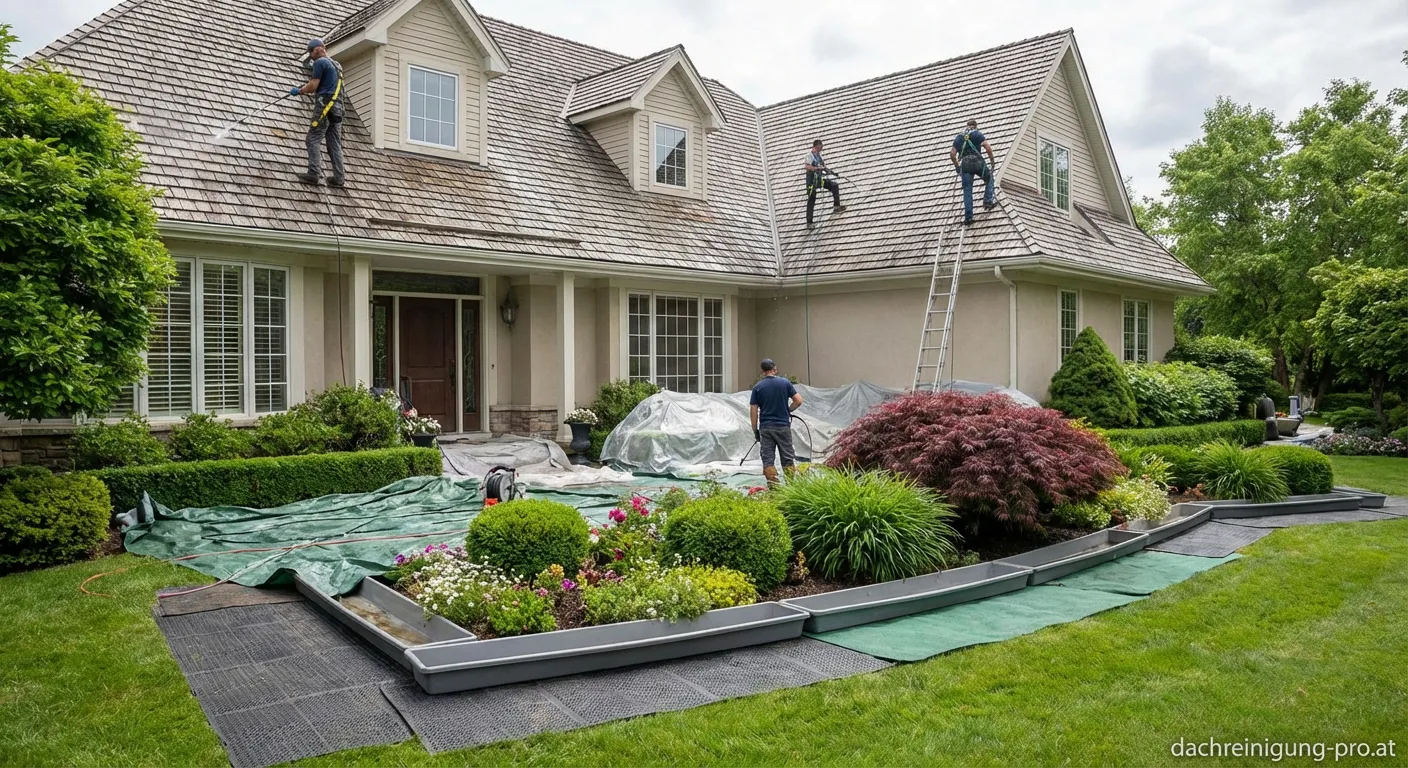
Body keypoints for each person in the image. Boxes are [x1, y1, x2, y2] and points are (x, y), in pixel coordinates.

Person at [290, 39, 345, 186]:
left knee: (312, 138)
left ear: (315, 51)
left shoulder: (320, 62)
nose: (312, 56)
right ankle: (339, 178)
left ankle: (313, 173)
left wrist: (300, 91)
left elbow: (314, 85)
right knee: (334, 142)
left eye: (311, 53)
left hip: (325, 106)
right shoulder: (337, 65)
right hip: (338, 109)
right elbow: (326, 83)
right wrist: (307, 85)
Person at [749, 359, 803, 486]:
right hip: (783, 426)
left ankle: (774, 490)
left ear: (762, 371)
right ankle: (791, 488)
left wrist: (755, 430)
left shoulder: (758, 387)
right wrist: (788, 410)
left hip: (766, 428)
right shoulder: (785, 383)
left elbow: (753, 411)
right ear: (775, 369)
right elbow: (799, 400)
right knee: (787, 458)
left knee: (768, 460)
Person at [949, 119, 997, 225]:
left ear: (967, 126)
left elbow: (952, 154)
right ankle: (988, 201)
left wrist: (957, 167)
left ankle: (969, 217)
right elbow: (988, 148)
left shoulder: (959, 137)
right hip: (977, 162)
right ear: (975, 126)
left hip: (965, 164)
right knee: (989, 178)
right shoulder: (977, 134)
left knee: (967, 190)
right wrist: (992, 162)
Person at [804, 140, 846, 228]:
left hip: (819, 179)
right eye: (820, 147)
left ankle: (836, 206)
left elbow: (823, 167)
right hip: (811, 181)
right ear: (816, 146)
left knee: (834, 185)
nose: (821, 149)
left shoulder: (819, 156)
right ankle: (809, 222)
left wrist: (832, 173)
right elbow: (807, 166)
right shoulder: (809, 155)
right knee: (812, 198)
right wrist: (816, 168)